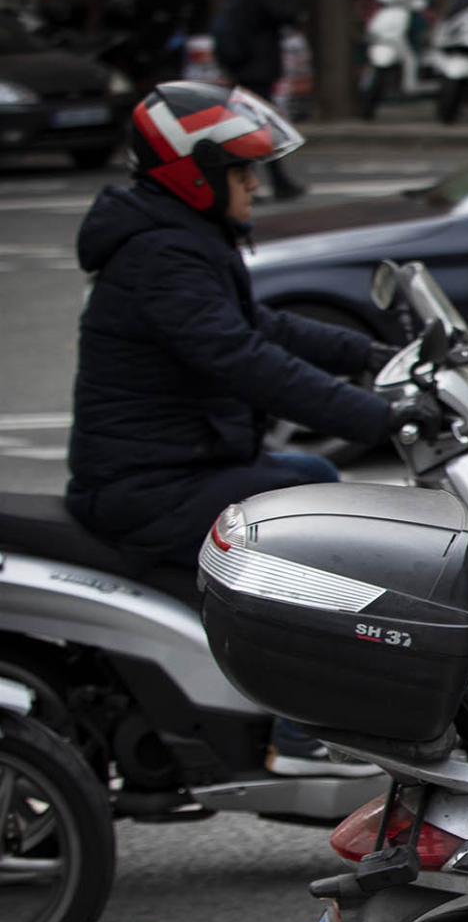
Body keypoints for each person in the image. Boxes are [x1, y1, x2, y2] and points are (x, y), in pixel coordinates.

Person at [66, 82, 414, 774]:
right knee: (311, 533)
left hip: (176, 466)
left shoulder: (177, 237)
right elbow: (241, 359)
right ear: (191, 175)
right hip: (147, 485)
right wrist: (380, 417)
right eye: (241, 171)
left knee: (313, 481)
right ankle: (302, 733)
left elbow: (259, 326)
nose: (256, 183)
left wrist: (370, 356)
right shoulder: (161, 253)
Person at [212, 0, 305, 200]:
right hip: (254, 67)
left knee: (256, 125)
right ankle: (241, 184)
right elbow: (287, 14)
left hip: (250, 66)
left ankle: (267, 182)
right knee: (256, 125)